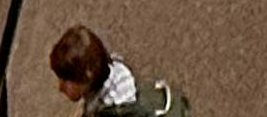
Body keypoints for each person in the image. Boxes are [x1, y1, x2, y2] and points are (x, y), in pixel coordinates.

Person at [47, 22, 183, 115]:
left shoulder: (115, 110)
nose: (60, 87)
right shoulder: (114, 70)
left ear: (87, 76)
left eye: (66, 81)